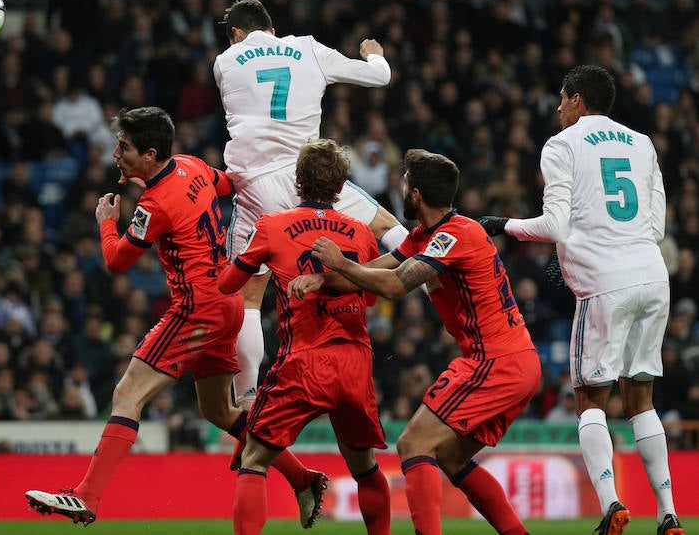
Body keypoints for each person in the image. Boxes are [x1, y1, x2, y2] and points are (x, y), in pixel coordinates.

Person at [24, 107, 325, 527]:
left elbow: (115, 261)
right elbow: (224, 183)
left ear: (149, 154)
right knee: (219, 411)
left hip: (196, 309)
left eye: (124, 148)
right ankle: (303, 477)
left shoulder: (153, 205)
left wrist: (107, 223)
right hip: (227, 302)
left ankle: (87, 496)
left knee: (128, 394)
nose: (115, 154)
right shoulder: (192, 165)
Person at [478, 65, 684, 535]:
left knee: (590, 398)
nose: (557, 108)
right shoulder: (643, 143)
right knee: (642, 398)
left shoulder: (562, 144)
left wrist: (502, 224)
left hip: (604, 283)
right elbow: (655, 227)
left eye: (561, 99)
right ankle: (669, 514)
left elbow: (554, 227)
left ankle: (612, 504)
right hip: (653, 278)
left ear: (575, 99)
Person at [289, 149, 539, 535]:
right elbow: (377, 269)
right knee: (453, 459)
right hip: (511, 361)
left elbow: (393, 285)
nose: (401, 189)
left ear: (416, 194)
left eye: (405, 183)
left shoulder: (455, 234)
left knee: (413, 444)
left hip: (495, 362)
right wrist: (324, 279)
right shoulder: (427, 235)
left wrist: (338, 263)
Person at [213, 0, 409, 416]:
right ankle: (431, 278)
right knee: (385, 224)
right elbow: (381, 77)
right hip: (309, 178)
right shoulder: (307, 48)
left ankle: (247, 396)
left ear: (235, 33)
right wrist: (372, 52)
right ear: (273, 26)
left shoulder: (225, 62)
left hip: (255, 185)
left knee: (249, 297)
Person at [218, 139, 392, 535]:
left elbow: (230, 285)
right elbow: (367, 298)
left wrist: (241, 259)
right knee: (365, 468)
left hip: (304, 361)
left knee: (255, 458)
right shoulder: (362, 233)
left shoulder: (272, 226)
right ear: (341, 186)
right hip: (354, 362)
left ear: (298, 181)